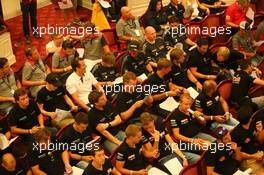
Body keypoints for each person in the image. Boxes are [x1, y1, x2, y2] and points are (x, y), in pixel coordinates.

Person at [231, 106, 264, 174]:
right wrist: (253, 156)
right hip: (247, 160)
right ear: (250, 118)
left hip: (259, 152)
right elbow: (238, 155)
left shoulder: (253, 123)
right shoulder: (236, 134)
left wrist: (259, 132)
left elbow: (259, 141)